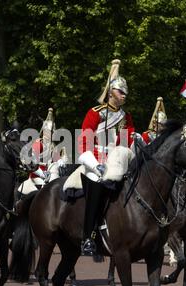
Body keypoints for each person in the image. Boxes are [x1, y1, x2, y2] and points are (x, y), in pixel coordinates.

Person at [78, 59, 136, 255]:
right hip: (94, 161)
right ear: (111, 92)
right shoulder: (96, 113)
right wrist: (95, 166)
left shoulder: (125, 117)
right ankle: (88, 237)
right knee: (96, 185)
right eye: (121, 92)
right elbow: (84, 141)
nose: (124, 96)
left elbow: (125, 143)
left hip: (115, 161)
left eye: (126, 93)